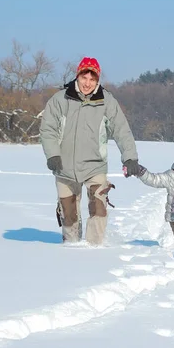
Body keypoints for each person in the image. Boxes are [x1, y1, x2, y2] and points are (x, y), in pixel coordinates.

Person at [40, 57, 141, 245]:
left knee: (98, 207)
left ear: (97, 80)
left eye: (92, 79)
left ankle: (95, 248)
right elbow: (48, 129)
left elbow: (121, 130)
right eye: (84, 77)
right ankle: (71, 247)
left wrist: (130, 157)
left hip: (95, 165)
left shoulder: (106, 101)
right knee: (68, 212)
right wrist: (53, 154)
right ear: (77, 76)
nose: (87, 83)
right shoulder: (60, 99)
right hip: (64, 165)